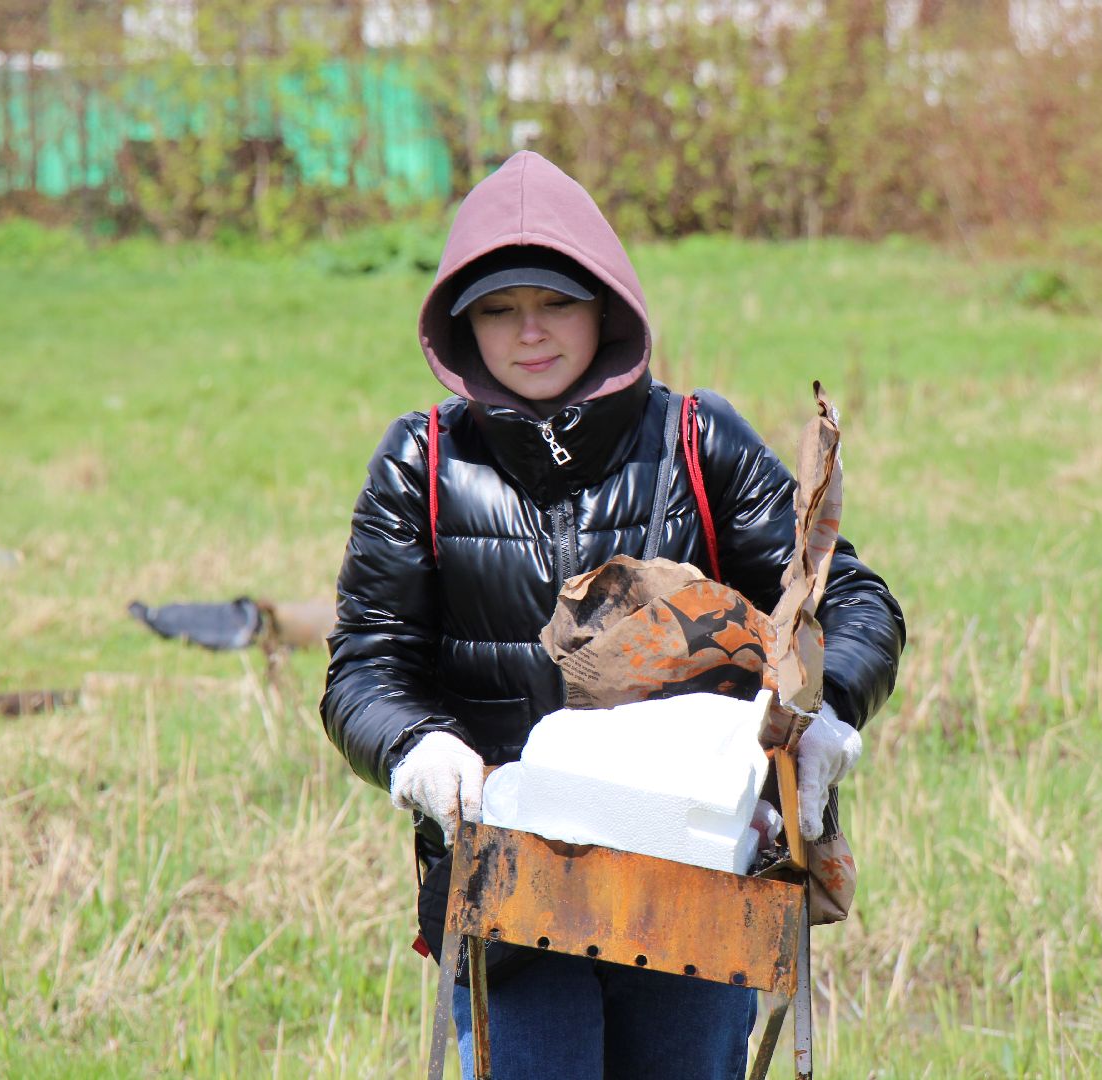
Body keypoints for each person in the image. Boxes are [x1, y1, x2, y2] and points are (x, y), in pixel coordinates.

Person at [320, 150, 906, 1079]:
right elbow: (366, 665)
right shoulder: (421, 462)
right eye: (501, 310)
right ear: (463, 326)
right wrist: (418, 753)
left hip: (696, 874)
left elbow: (852, 599)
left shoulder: (695, 441)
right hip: (511, 885)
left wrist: (821, 712)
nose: (531, 333)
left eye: (555, 302)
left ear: (605, 305)